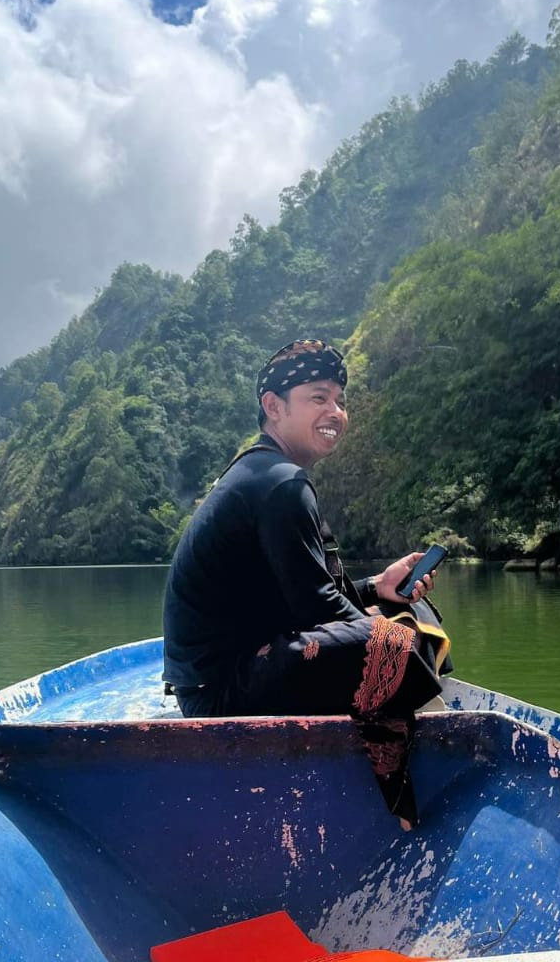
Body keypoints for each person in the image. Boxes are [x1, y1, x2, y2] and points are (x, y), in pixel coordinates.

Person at [162, 339, 449, 828]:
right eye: (318, 397)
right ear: (274, 407)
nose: (335, 411)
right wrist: (379, 628)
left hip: (234, 668)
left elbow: (302, 592)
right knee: (399, 641)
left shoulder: (266, 471)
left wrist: (376, 588)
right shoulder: (280, 484)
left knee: (409, 612)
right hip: (222, 692)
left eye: (339, 400)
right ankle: (392, 782)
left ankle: (395, 691)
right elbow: (318, 609)